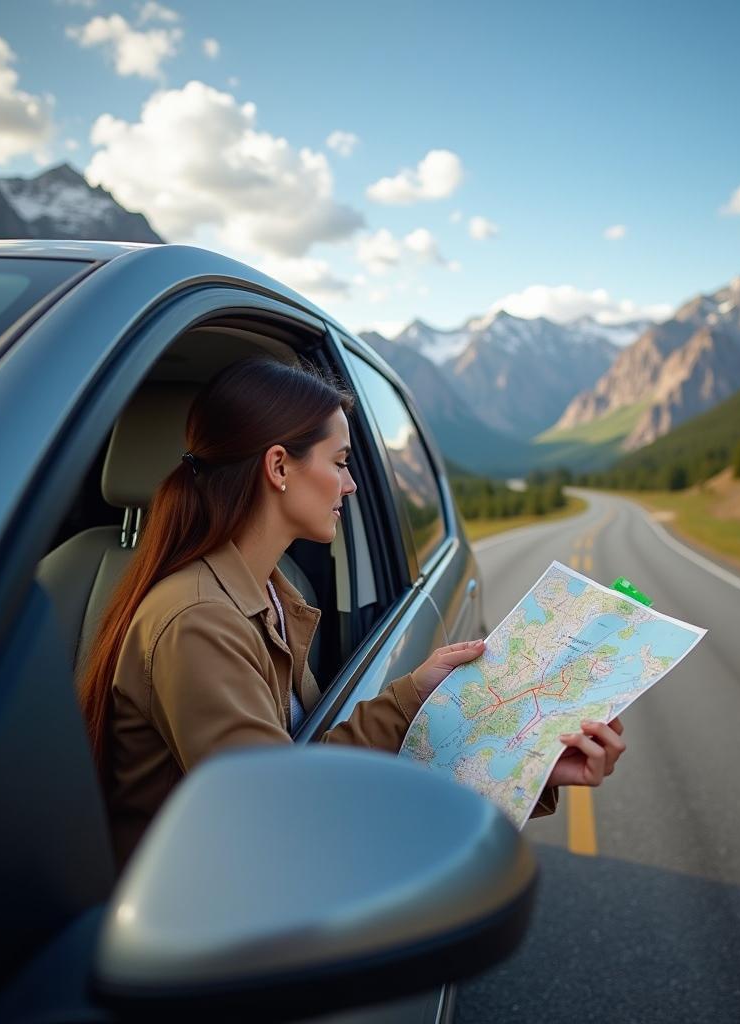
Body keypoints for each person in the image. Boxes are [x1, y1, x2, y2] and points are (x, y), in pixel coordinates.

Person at [79, 357, 626, 866]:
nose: (351, 482)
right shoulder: (200, 618)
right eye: (340, 462)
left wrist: (522, 761)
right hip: (199, 923)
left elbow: (300, 765)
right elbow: (285, 816)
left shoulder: (267, 592)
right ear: (278, 467)